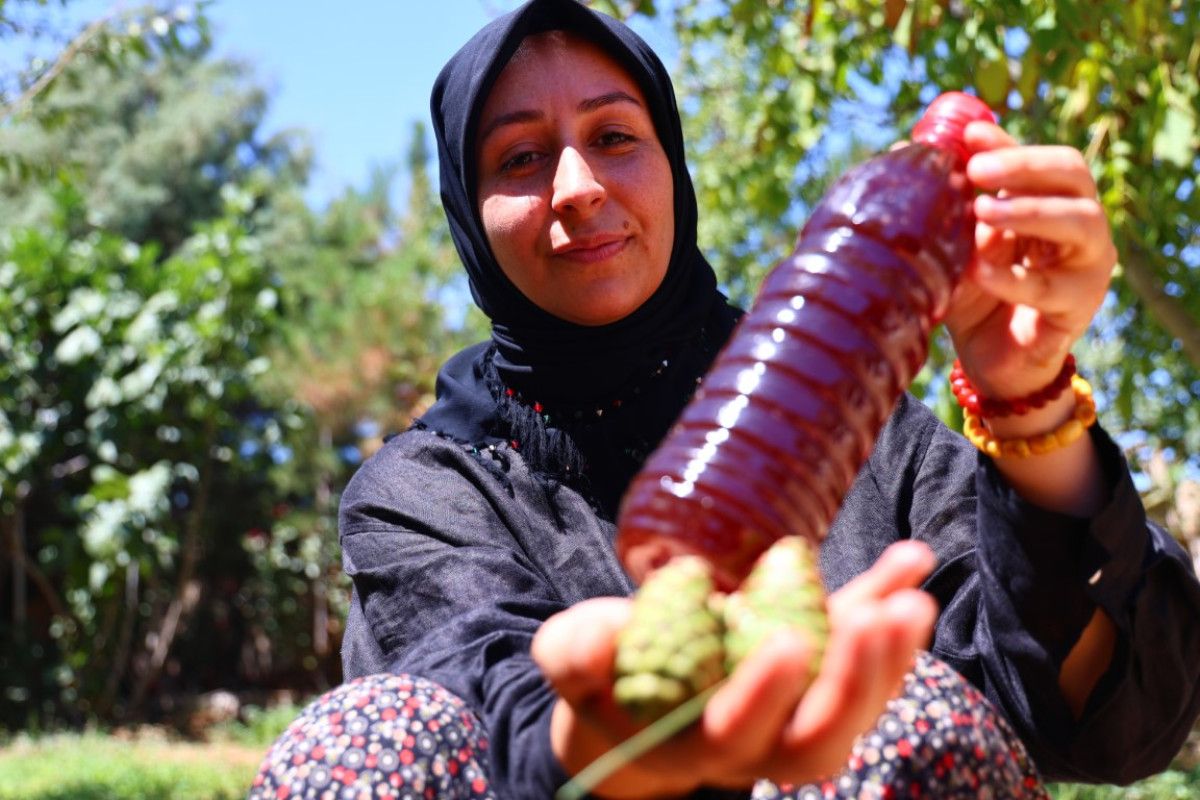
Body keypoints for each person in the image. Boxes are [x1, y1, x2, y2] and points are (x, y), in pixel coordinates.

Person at [251, 1, 1200, 798]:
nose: (577, 188)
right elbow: (474, 705)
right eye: (519, 160)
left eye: (615, 137)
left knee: (901, 707)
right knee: (362, 740)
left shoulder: (870, 439)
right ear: (469, 213)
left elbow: (1106, 727)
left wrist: (1027, 394)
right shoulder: (424, 489)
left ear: (673, 168)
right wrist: (601, 736)